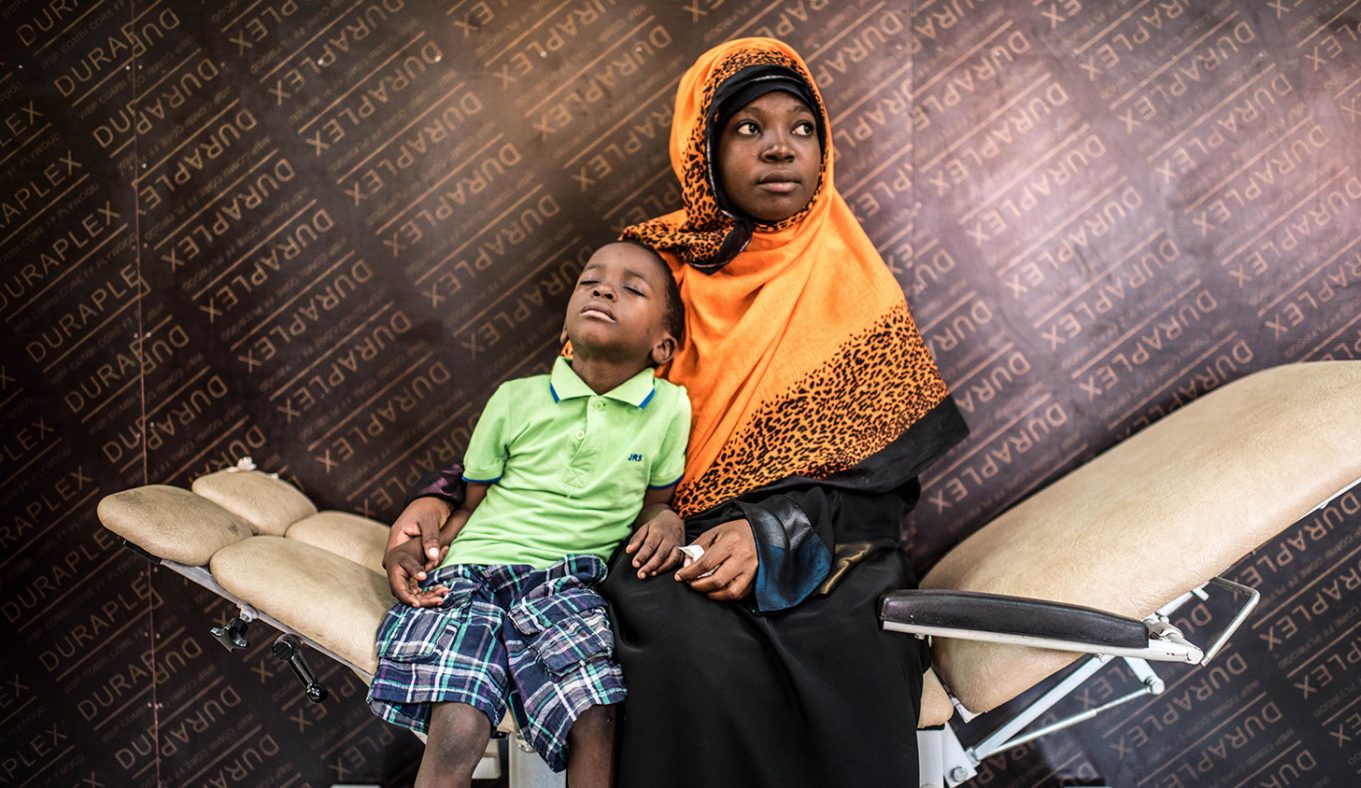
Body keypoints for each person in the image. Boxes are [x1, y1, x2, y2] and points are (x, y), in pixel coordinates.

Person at [387, 38, 968, 786]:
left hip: (822, 538)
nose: (781, 149)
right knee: (673, 638)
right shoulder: (653, 270)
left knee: (854, 639)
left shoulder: (857, 287)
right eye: (748, 129)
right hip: (668, 531)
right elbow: (564, 418)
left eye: (802, 128)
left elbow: (879, 492)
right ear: (703, 147)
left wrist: (772, 535)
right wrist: (440, 501)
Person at [370, 240, 692, 787]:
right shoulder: (515, 399)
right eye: (590, 282)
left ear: (663, 346)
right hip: (471, 574)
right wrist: (418, 549)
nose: (604, 289)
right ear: (566, 325)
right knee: (460, 723)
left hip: (569, 583)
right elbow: (470, 505)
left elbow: (654, 504)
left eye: (631, 288)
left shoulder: (669, 410)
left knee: (596, 713)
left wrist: (668, 521)